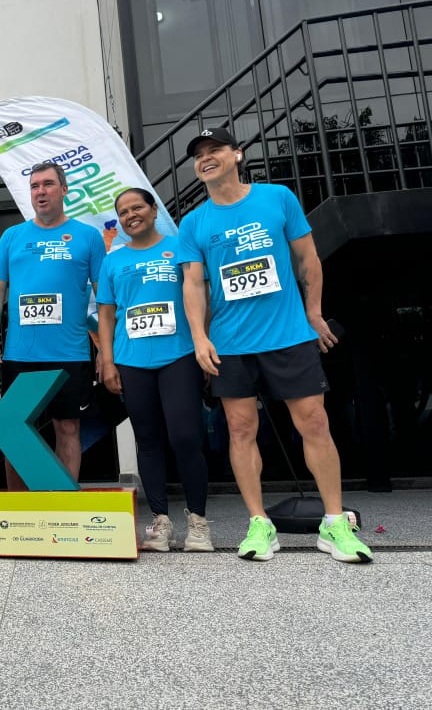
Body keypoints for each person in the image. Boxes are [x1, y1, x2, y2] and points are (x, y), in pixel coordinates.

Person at [179, 127, 372, 563]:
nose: (206, 159)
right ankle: (259, 524)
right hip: (231, 344)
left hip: (287, 336)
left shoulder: (277, 198)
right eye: (199, 155)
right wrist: (199, 336)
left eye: (215, 150)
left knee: (314, 423)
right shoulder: (194, 222)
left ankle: (335, 523)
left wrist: (315, 312)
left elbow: (308, 258)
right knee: (241, 429)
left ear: (237, 155)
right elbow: (193, 283)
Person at [96, 189, 212, 552]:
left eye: (137, 207)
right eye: (123, 211)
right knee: (146, 440)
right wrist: (109, 361)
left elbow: (200, 294)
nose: (131, 215)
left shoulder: (181, 246)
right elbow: (106, 314)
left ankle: (197, 521)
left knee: (185, 437)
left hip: (179, 355)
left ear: (152, 210)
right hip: (132, 361)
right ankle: (160, 522)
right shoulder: (113, 260)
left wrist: (203, 341)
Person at [0, 161, 106, 490]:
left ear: (64, 189)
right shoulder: (13, 236)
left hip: (70, 352)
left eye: (48, 184)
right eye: (35, 185)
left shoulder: (88, 236)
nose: (41, 191)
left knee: (68, 429)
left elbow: (103, 295)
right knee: (14, 428)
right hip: (20, 354)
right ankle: (22, 508)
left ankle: (64, 506)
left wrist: (106, 348)